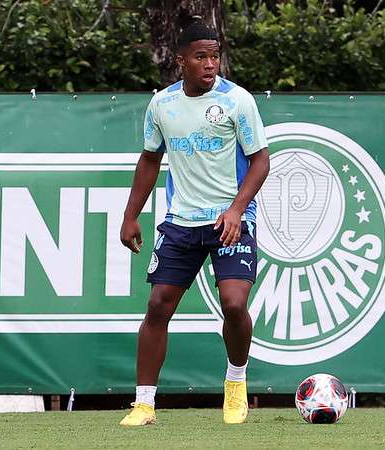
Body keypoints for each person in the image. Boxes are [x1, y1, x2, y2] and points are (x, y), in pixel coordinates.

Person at [118, 20, 270, 426]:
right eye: (201, 56)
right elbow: (150, 159)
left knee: (234, 304)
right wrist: (131, 214)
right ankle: (144, 404)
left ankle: (235, 384)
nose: (210, 64)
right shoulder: (162, 105)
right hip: (182, 222)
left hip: (231, 219)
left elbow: (260, 161)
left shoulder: (238, 101)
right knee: (157, 307)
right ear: (180, 60)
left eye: (214, 56)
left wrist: (237, 209)